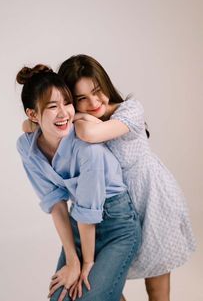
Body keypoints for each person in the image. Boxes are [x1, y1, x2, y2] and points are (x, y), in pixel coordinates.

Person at [56, 54, 196, 301]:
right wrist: (67, 116)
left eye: (97, 91)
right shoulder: (78, 122)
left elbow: (91, 132)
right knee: (108, 282)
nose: (93, 101)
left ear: (105, 83)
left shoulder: (130, 110)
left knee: (156, 288)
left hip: (152, 202)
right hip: (115, 211)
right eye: (81, 99)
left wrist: (75, 116)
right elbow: (30, 126)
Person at [16, 64, 141, 301]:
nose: (64, 113)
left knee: (88, 298)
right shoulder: (26, 147)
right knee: (58, 298)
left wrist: (87, 263)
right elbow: (55, 203)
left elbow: (87, 211)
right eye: (53, 106)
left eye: (67, 103)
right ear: (33, 115)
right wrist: (73, 260)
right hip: (80, 223)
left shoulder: (86, 148)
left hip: (118, 225)